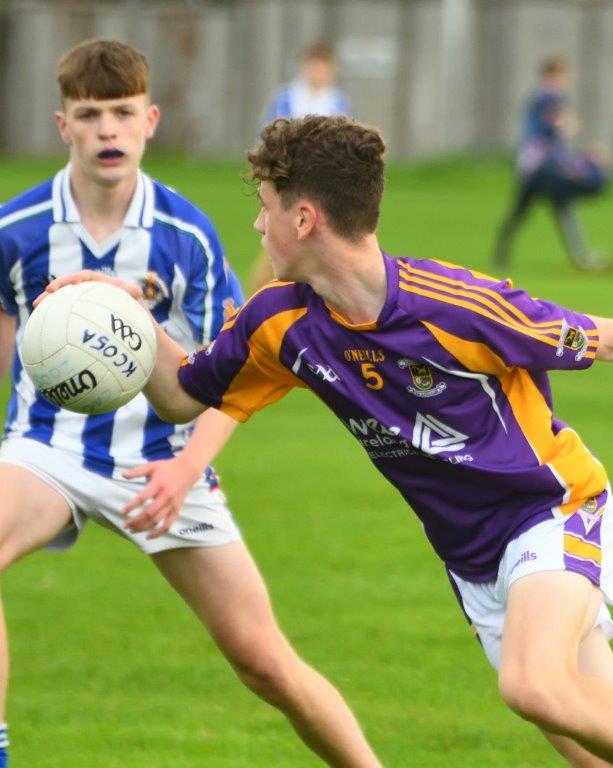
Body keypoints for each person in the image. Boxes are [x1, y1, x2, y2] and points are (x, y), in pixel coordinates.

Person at [43, 115, 613, 768]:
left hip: (553, 507)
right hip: (474, 560)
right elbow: (186, 394)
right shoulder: (278, 322)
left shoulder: (457, 305)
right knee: (589, 742)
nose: (254, 222)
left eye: (263, 204)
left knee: (534, 686)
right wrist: (124, 321)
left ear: (304, 216)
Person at [0, 40, 380, 768]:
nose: (106, 130)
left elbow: (230, 381)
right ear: (62, 125)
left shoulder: (189, 239)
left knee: (265, 663)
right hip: (48, 450)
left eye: (120, 113)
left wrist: (186, 472)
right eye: (89, 115)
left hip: (167, 461)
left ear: (150, 120)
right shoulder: (14, 231)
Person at [251, 41, 354, 293]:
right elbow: (268, 139)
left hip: (325, 186)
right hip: (290, 183)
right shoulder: (285, 100)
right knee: (281, 240)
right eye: (313, 66)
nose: (317, 72)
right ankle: (260, 299)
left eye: (323, 67)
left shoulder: (339, 103)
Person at [492, 57, 610, 272]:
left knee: (551, 209)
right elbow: (561, 125)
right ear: (549, 76)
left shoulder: (546, 99)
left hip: (538, 168)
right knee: (531, 210)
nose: (564, 80)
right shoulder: (546, 99)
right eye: (560, 76)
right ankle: (580, 258)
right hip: (540, 169)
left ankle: (502, 254)